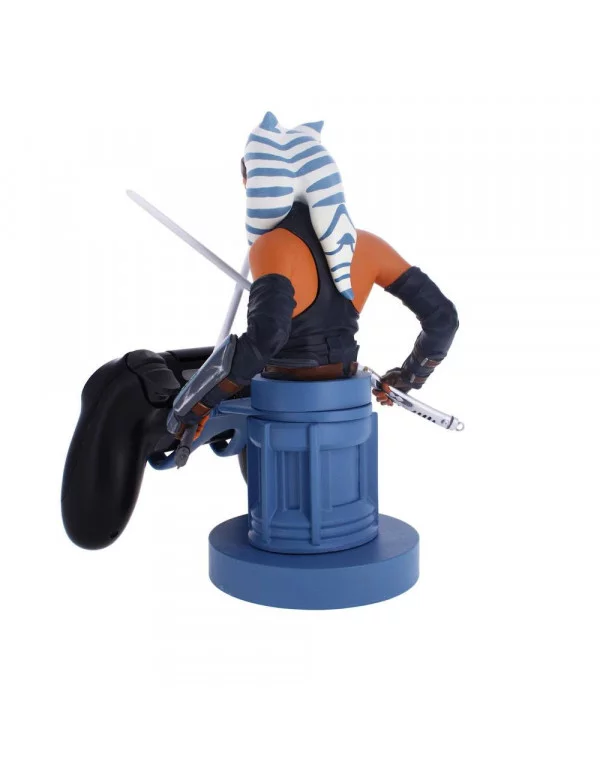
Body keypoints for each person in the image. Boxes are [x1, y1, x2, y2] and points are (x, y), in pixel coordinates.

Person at [168, 114, 458, 438]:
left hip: (283, 411)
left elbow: (267, 338)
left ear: (251, 181)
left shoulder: (272, 246)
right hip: (351, 411)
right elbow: (443, 318)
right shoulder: (367, 245)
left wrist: (192, 406)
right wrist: (409, 377)